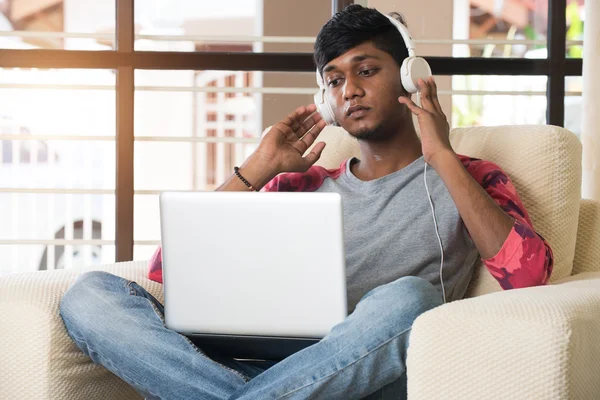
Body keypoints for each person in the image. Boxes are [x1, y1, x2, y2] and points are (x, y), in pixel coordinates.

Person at [59, 5, 553, 399]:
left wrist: (440, 152)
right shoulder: (300, 183)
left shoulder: (471, 177)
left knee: (410, 299)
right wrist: (255, 169)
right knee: (91, 295)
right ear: (325, 98)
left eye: (366, 70)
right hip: (251, 363)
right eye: (335, 80)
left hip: (365, 377)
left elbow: (528, 274)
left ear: (408, 76)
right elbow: (171, 268)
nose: (351, 89)